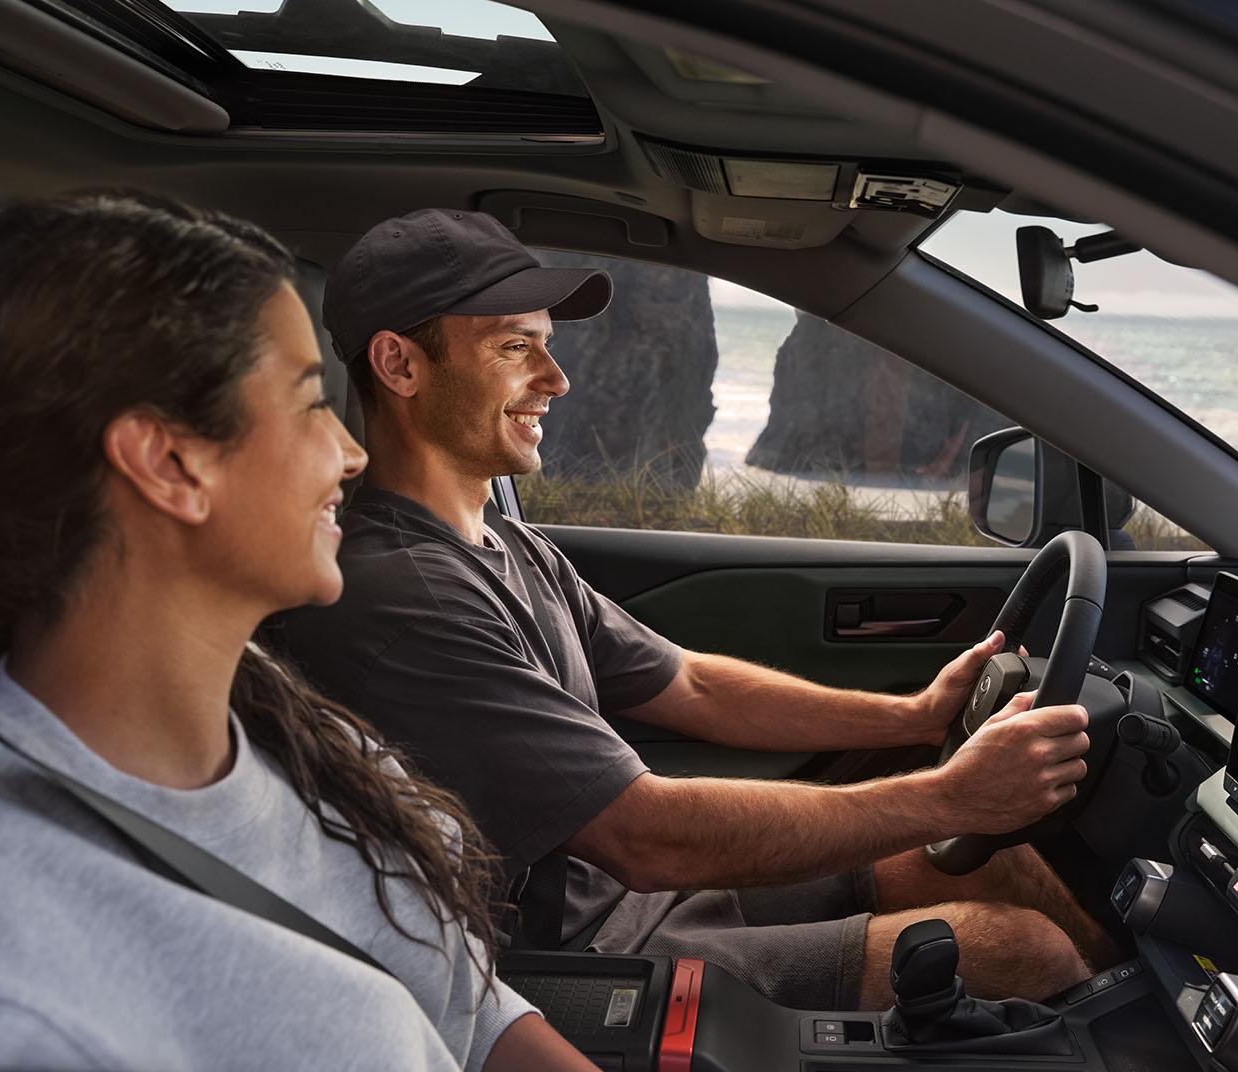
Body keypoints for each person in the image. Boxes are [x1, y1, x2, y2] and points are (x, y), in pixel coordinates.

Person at [0, 194, 596, 1071]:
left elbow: (472, 1014)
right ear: (169, 464)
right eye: (314, 402)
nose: (351, 454)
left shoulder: (286, 727)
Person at [275, 209, 1117, 1014]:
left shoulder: (507, 547)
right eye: (514, 347)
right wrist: (950, 798)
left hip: (649, 901)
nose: (556, 379)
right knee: (1017, 951)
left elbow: (694, 687)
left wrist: (913, 714)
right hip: (569, 957)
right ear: (400, 365)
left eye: (549, 345)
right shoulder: (404, 595)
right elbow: (645, 837)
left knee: (990, 870)